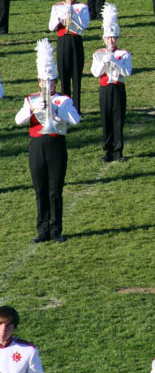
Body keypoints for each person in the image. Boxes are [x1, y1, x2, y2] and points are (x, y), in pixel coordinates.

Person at [15, 40, 81, 244]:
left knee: (55, 190)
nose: (48, 84)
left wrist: (57, 110)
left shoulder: (63, 99)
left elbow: (75, 119)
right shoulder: (30, 99)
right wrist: (34, 109)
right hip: (36, 146)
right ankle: (42, 228)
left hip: (56, 145)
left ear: (56, 81)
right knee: (40, 189)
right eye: (45, 81)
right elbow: (18, 120)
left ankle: (56, 228)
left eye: (52, 81)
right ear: (39, 82)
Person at [90, 3, 132, 163]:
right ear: (104, 38)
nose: (111, 40)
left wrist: (115, 60)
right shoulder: (98, 54)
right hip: (105, 89)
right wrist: (103, 62)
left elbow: (127, 72)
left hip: (118, 88)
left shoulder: (124, 54)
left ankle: (118, 150)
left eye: (113, 37)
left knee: (118, 119)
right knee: (106, 119)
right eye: (108, 38)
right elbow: (95, 73)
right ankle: (107, 149)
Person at [48, 0, 90, 113]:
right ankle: (65, 109)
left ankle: (77, 109)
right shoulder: (56, 7)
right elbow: (51, 27)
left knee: (76, 77)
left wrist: (72, 15)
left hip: (76, 40)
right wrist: (61, 18)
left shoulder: (82, 7)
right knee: (64, 76)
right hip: (62, 41)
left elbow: (84, 26)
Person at [0, 305, 49, 373]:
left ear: (14, 328)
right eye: (0, 324)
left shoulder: (27, 350)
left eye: (8, 325)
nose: (3, 330)